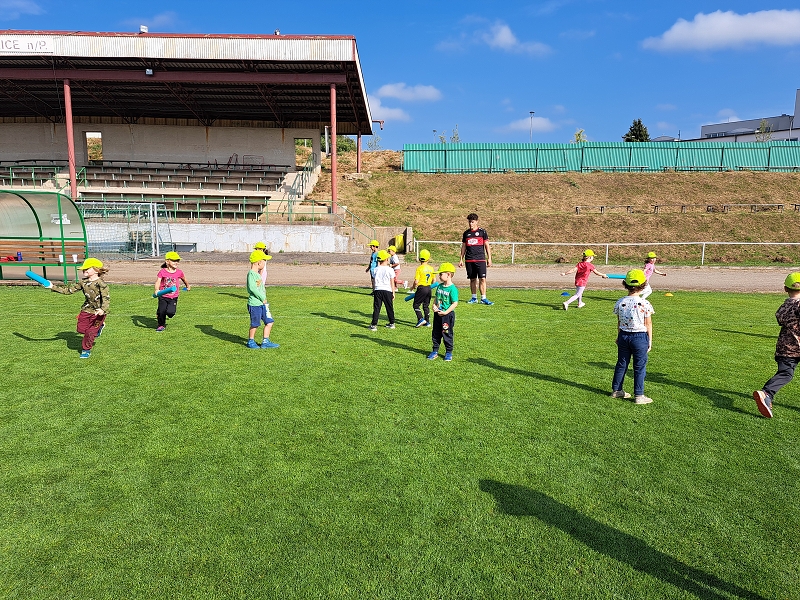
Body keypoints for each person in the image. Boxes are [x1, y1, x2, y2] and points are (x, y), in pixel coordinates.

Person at [753, 273, 800, 418]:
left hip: (784, 348)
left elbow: (781, 319)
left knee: (785, 374)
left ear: (785, 288)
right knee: (786, 374)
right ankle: (766, 393)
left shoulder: (784, 306)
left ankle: (766, 393)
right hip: (797, 346)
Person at [49, 257, 110, 359]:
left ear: (96, 270)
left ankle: (86, 350)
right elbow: (68, 291)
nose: (84, 270)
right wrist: (52, 287)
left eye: (87, 269)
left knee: (90, 332)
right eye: (83, 269)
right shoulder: (83, 282)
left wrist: (102, 310)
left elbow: (106, 298)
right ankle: (99, 328)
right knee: (81, 330)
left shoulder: (102, 284)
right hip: (86, 310)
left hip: (98, 313)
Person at [610, 269, 655, 405]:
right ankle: (639, 395)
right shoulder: (644, 303)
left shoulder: (620, 302)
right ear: (644, 284)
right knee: (639, 366)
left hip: (624, 335)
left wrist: (619, 336)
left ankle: (617, 390)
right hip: (639, 337)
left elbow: (619, 321)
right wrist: (650, 341)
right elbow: (648, 323)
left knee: (621, 363)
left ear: (625, 284)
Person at [246, 250, 279, 349]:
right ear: (259, 262)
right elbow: (252, 288)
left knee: (269, 321)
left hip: (262, 304)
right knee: (255, 324)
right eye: (264, 261)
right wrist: (262, 297)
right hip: (255, 304)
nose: (265, 263)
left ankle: (265, 341)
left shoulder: (257, 274)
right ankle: (250, 341)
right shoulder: (251, 274)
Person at [459, 213, 493, 305]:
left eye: (472, 222)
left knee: (482, 278)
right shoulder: (466, 233)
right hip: (469, 260)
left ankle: (483, 298)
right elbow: (463, 247)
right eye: (469, 222)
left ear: (477, 222)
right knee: (472, 279)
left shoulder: (482, 232)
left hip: (480, 259)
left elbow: (487, 245)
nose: (471, 224)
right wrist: (461, 259)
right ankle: (474, 298)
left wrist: (489, 258)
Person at [427, 262, 459, 361]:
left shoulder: (452, 289)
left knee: (446, 333)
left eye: (441, 274)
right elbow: (436, 298)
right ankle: (435, 350)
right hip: (438, 315)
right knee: (436, 333)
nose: (439, 276)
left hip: (447, 316)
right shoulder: (440, 286)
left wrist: (446, 312)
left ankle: (448, 352)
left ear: (448, 274)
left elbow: (455, 303)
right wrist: (434, 305)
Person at [154, 251, 190, 332]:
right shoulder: (162, 271)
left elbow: (184, 279)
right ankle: (161, 325)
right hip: (163, 295)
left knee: (171, 313)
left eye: (177, 261)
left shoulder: (179, 272)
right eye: (174, 260)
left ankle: (160, 312)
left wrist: (187, 286)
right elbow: (158, 282)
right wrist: (156, 290)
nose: (176, 262)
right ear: (167, 261)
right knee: (162, 312)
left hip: (173, 296)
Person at [369, 249, 396, 331]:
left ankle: (374, 325)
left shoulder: (376, 269)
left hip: (378, 290)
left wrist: (374, 290)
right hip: (387, 290)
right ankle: (392, 323)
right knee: (389, 307)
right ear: (387, 259)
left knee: (377, 308)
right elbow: (392, 282)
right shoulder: (390, 270)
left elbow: (374, 281)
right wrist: (393, 292)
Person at [411, 249, 436, 328]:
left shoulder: (419, 268)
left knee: (416, 305)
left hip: (421, 288)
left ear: (419, 258)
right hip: (429, 288)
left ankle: (420, 318)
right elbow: (434, 280)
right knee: (426, 305)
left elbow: (416, 281)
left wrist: (413, 287)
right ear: (428, 258)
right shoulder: (431, 268)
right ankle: (427, 322)